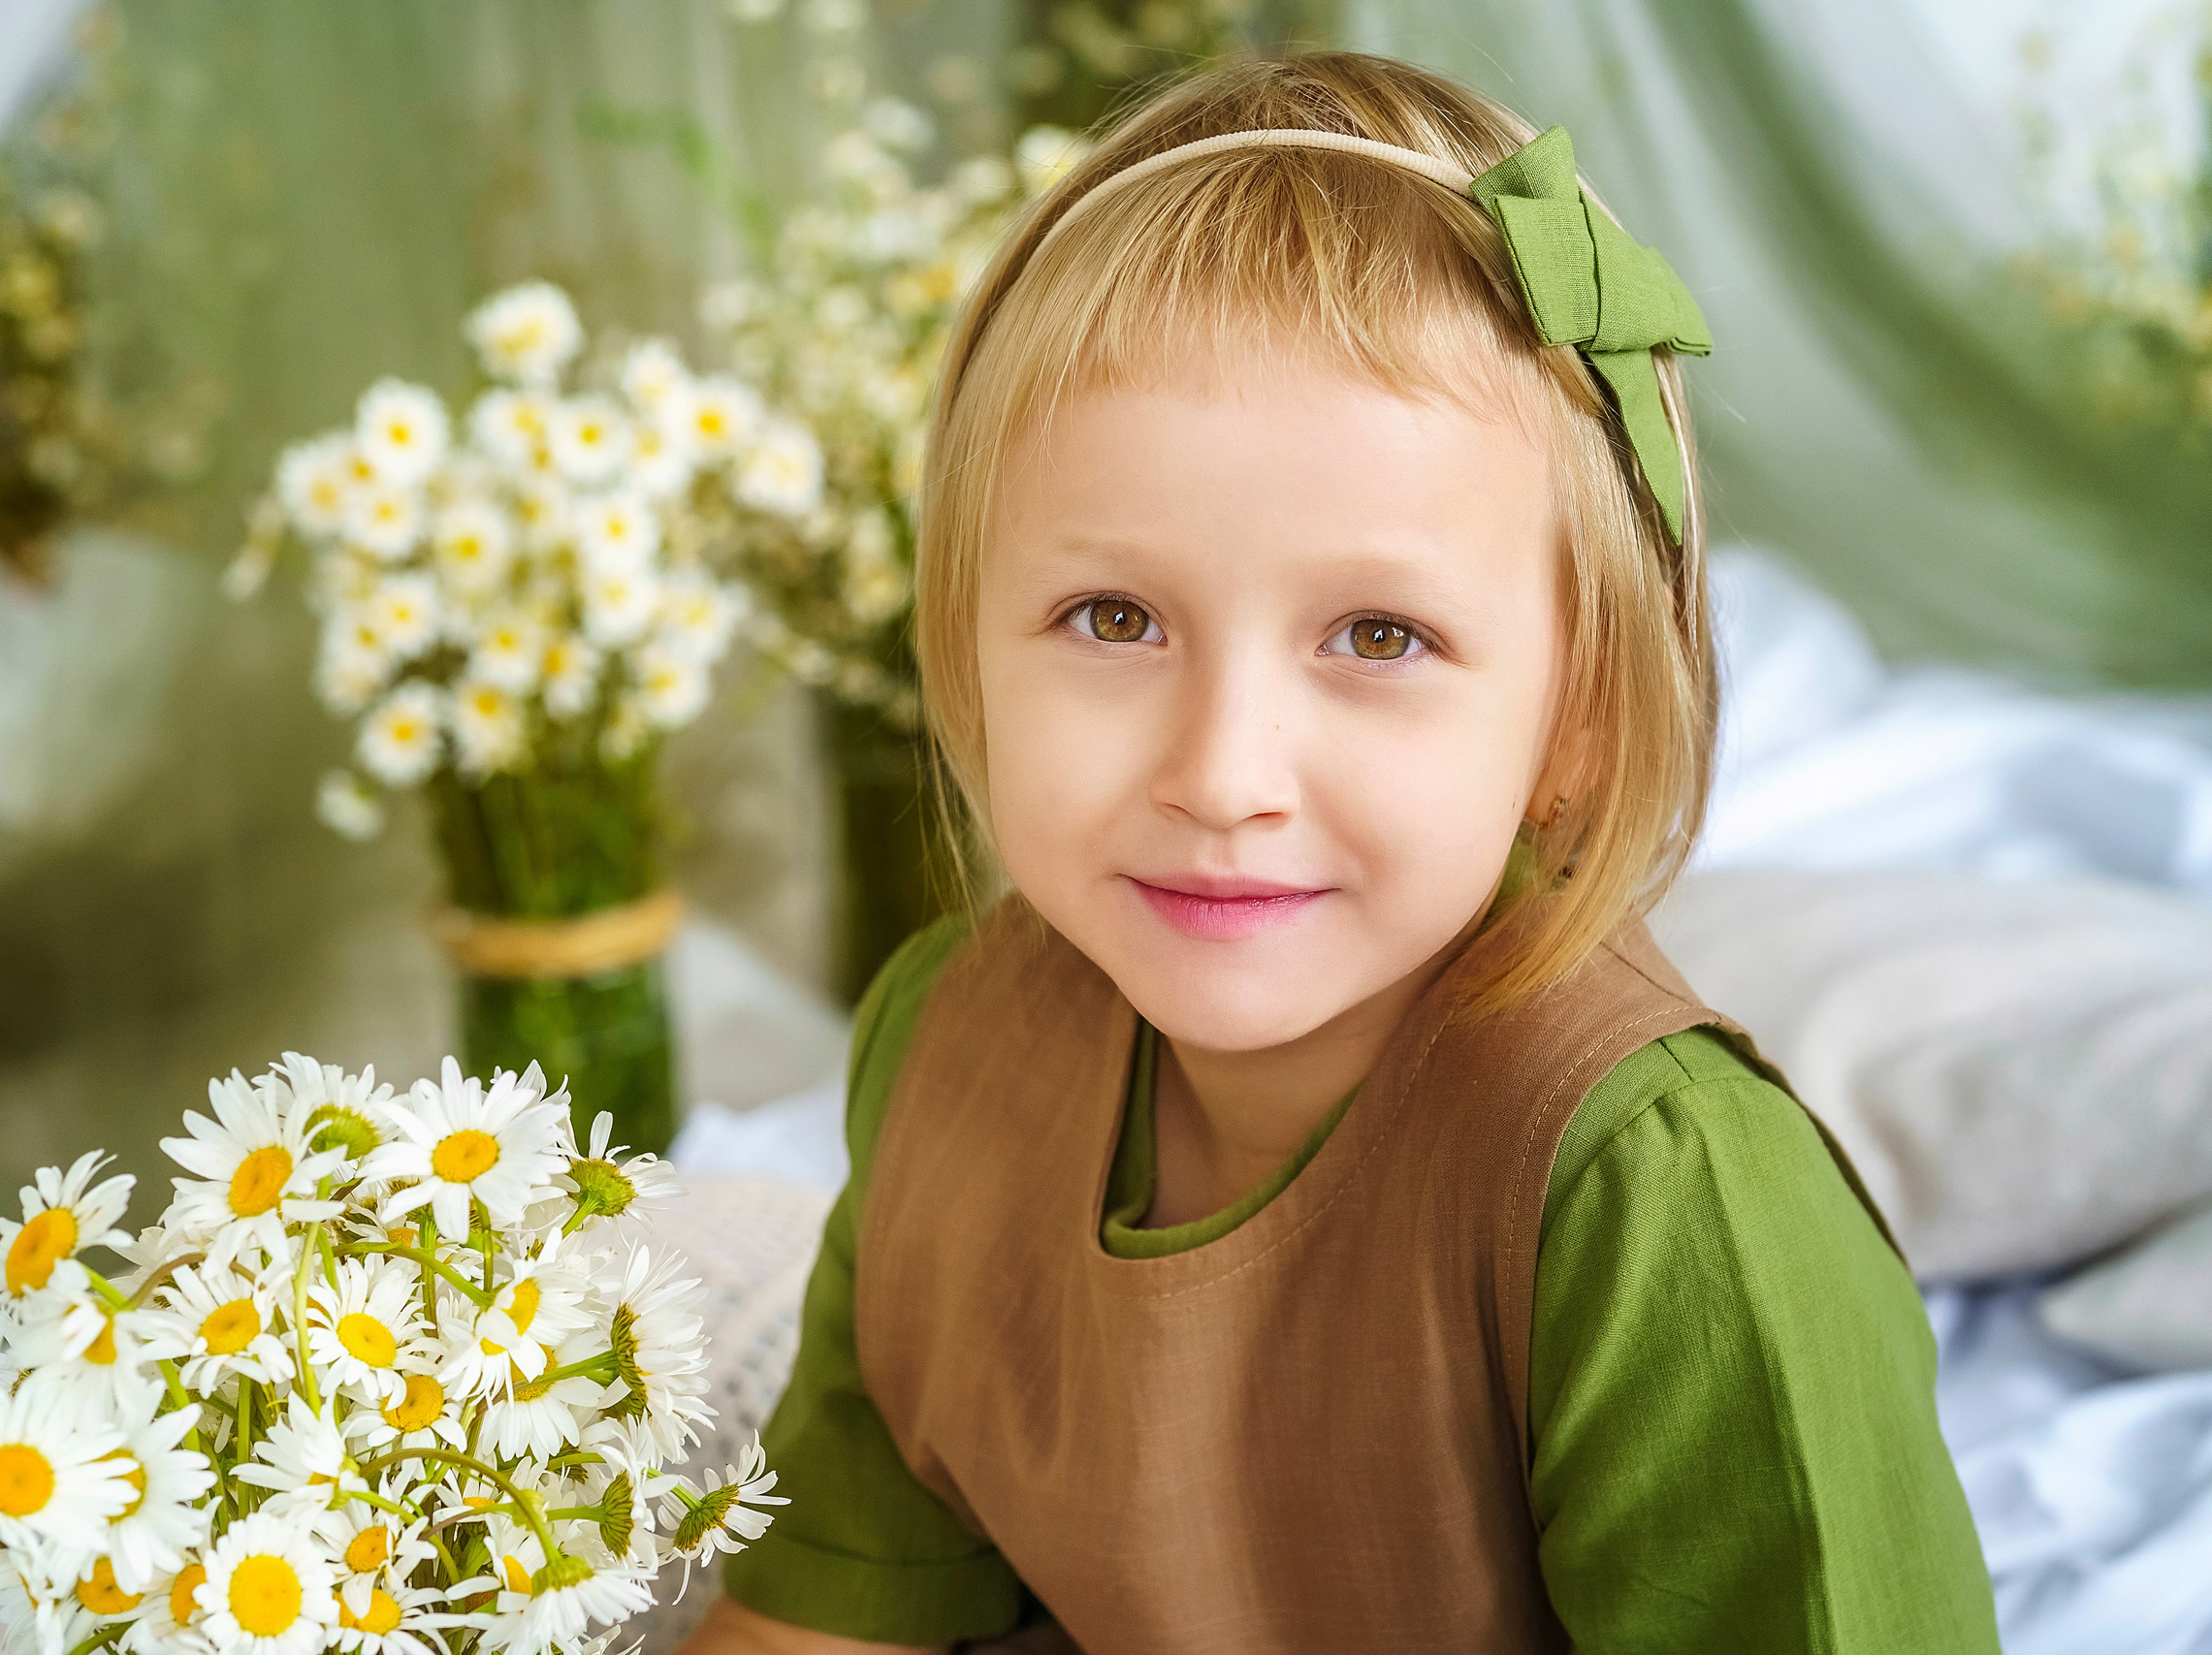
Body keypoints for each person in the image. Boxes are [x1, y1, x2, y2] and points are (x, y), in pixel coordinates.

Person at [682, 49, 1999, 1655]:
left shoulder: (1665, 1214)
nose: (1223, 775)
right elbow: (827, 1614)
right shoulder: (950, 1049)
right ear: (964, 648)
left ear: (1577, 719)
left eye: (1379, 635)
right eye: (1114, 617)